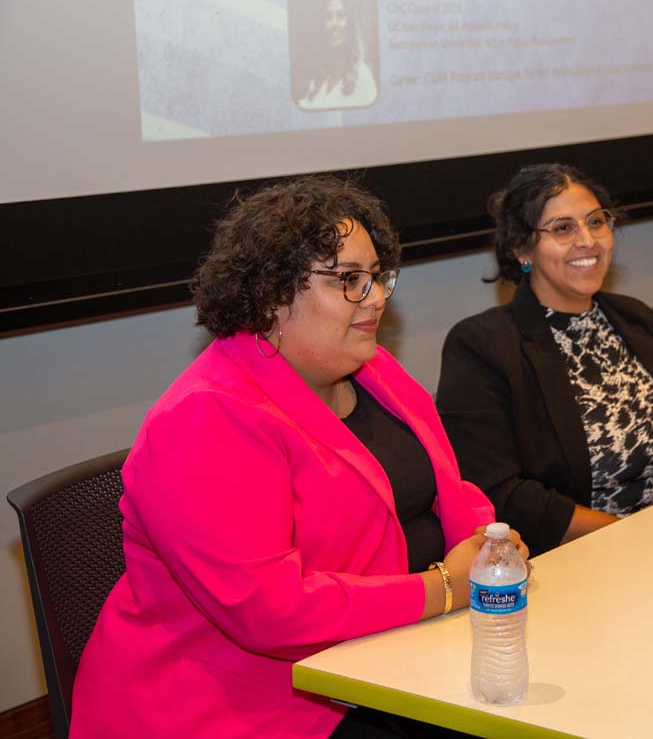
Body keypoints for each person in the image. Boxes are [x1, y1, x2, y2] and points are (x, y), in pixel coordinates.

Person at [71, 177, 525, 739]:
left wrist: (490, 547)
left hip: (389, 655)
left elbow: (449, 489)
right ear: (271, 295)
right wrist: (446, 588)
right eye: (350, 281)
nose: (378, 296)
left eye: (377, 276)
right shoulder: (204, 419)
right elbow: (270, 610)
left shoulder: (372, 368)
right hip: (250, 708)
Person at [437, 164, 653, 557]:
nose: (587, 240)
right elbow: (500, 491)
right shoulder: (482, 346)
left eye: (596, 222)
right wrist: (634, 534)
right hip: (581, 559)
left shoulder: (637, 319)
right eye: (563, 228)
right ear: (522, 249)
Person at [298, 0, 379, 110]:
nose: (334, 23)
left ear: (350, 23)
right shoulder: (317, 80)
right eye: (328, 16)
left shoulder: (363, 77)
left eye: (341, 15)